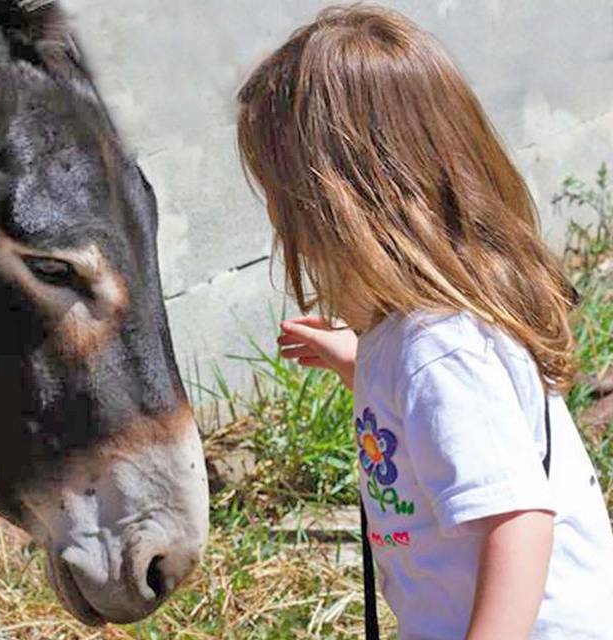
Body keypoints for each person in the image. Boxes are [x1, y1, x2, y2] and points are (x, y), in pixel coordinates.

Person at [236, 5, 613, 639]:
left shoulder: (440, 351)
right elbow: (434, 427)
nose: (278, 221)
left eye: (281, 196)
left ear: (340, 203)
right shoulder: (416, 343)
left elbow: (518, 523)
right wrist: (359, 365)